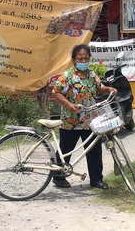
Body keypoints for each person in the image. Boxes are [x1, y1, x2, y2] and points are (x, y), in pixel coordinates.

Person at [51, 44, 118, 189]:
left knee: (94, 150)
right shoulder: (67, 76)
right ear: (74, 60)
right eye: (80, 59)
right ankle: (58, 178)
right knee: (65, 150)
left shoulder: (92, 75)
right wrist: (69, 105)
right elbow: (56, 92)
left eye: (86, 58)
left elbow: (99, 90)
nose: (83, 61)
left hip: (90, 120)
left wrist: (110, 89)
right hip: (71, 121)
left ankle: (96, 180)